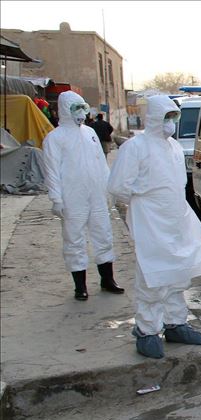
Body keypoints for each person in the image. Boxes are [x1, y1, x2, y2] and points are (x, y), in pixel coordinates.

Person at [107, 95, 201, 360]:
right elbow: (117, 186)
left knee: (179, 273)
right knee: (153, 273)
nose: (172, 122)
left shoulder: (174, 148)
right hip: (150, 218)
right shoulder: (135, 147)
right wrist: (144, 198)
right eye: (168, 117)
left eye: (175, 117)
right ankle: (147, 330)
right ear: (156, 117)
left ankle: (176, 322)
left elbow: (179, 183)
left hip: (175, 216)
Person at [41, 91, 124, 301]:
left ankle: (107, 279)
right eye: (75, 108)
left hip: (96, 194)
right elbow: (51, 171)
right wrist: (56, 199)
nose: (80, 112)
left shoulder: (90, 134)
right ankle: (80, 286)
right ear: (64, 109)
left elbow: (100, 163)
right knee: (74, 239)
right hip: (72, 197)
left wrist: (109, 189)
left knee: (103, 234)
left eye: (82, 107)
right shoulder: (54, 138)